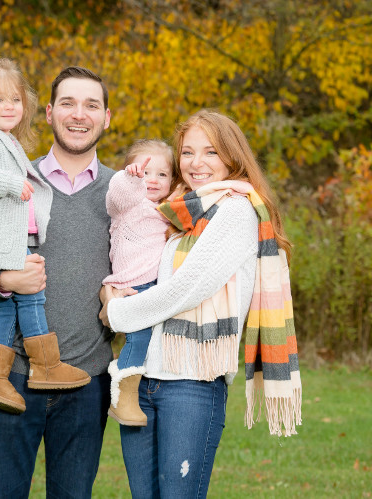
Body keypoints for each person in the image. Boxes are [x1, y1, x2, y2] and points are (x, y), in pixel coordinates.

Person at [100, 109, 302, 498]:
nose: (196, 163)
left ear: (231, 157)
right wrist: (111, 291)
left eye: (210, 152)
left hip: (192, 384)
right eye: (187, 152)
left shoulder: (235, 211)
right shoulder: (183, 214)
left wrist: (116, 312)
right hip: (144, 379)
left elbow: (184, 289)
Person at [0, 66, 115, 498]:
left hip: (85, 378)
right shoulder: (13, 180)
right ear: (47, 113)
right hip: (12, 378)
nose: (79, 115)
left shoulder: (123, 193)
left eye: (91, 105)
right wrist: (4, 280)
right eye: (68, 103)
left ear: (106, 117)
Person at [0, 56, 91, 415]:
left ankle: (0, 371)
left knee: (20, 301)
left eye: (14, 99)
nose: (9, 106)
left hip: (13, 242)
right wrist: (12, 183)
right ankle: (34, 366)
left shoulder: (5, 141)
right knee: (26, 298)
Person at [102, 140, 178, 426]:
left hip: (155, 284)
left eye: (163, 174)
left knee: (146, 340)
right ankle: (123, 398)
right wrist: (129, 178)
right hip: (131, 283)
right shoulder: (130, 203)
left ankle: (133, 391)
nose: (154, 180)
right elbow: (115, 197)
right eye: (147, 173)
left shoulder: (166, 209)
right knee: (139, 337)